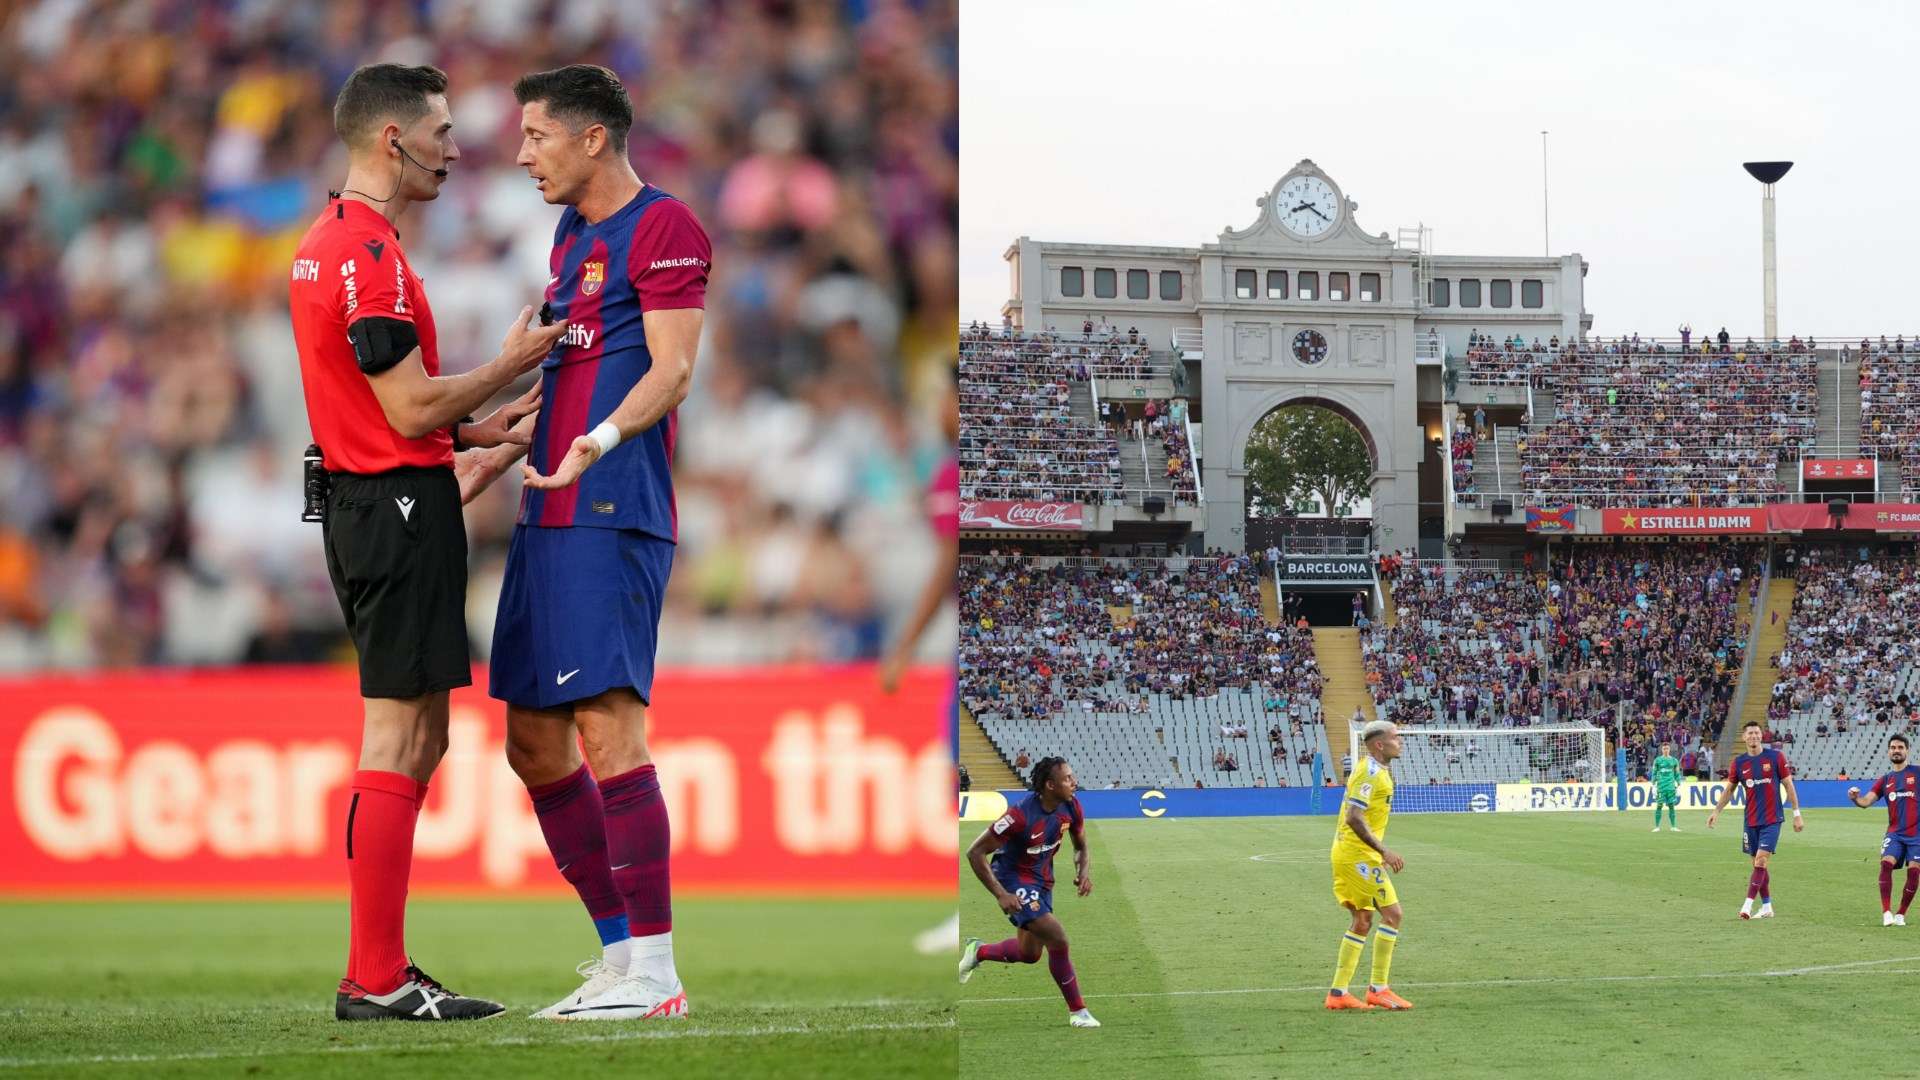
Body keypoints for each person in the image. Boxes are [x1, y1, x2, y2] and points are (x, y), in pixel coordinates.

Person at [290, 63, 566, 1023]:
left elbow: (387, 417)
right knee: (401, 734)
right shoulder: (365, 256)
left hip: (379, 499)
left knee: (416, 733)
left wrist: (478, 436)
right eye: (442, 131)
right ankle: (373, 979)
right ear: (391, 140)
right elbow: (405, 403)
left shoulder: (333, 244)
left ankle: (381, 968)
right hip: (390, 510)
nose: (457, 149)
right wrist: (510, 365)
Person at [467, 65, 712, 1022]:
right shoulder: (572, 236)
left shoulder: (666, 226)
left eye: (536, 135)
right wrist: (504, 448)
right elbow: (576, 374)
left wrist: (596, 444)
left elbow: (672, 370)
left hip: (610, 506)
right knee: (534, 742)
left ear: (592, 137)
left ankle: (656, 971)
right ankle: (619, 955)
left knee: (608, 726)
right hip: (549, 505)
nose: (523, 154)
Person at [876, 364, 960, 955]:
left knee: (957, 773)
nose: (939, 409)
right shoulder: (943, 470)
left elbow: (947, 565)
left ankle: (968, 905)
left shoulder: (954, 472)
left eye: (945, 397)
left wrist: (903, 645)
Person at [958, 757, 1100, 1028]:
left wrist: (1083, 872)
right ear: (1049, 785)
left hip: (1042, 882)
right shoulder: (1019, 815)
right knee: (1058, 939)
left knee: (1029, 954)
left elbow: (1081, 844)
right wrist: (1001, 894)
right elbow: (975, 852)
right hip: (1012, 879)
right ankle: (1078, 1012)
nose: (1074, 781)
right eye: (1067, 778)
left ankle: (978, 952)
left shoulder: (1070, 806)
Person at [1325, 719, 1412, 1011]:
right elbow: (1353, 817)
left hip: (1358, 855)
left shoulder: (1378, 770)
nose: (1399, 742)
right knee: (1393, 915)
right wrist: (1383, 851)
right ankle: (1378, 988)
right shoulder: (1369, 772)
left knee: (1363, 920)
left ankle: (1338, 994)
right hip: (1356, 856)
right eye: (1395, 738)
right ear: (1379, 744)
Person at [1707, 720, 1803, 919]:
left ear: (1762, 736)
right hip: (1750, 820)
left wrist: (1796, 814)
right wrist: (1716, 811)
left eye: (1757, 733)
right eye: (1750, 733)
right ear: (1744, 737)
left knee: (1760, 861)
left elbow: (1788, 785)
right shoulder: (1739, 763)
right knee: (1758, 866)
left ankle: (1747, 905)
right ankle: (1767, 906)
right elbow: (1730, 789)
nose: (1753, 736)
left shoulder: (1775, 757)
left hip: (1772, 819)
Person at [1845, 733, 1920, 926]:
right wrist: (1855, 798)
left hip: (1917, 834)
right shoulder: (1885, 780)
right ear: (1888, 751)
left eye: (1900, 747)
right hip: (1895, 833)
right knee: (1886, 864)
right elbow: (1866, 801)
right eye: (1893, 748)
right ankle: (1886, 912)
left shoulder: (1917, 773)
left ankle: (1901, 914)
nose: (1896, 750)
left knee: (1914, 871)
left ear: (1907, 751)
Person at [1650, 740, 1683, 832]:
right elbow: (1654, 773)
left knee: (1672, 806)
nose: (1666, 750)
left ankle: (1673, 826)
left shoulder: (1674, 761)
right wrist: (1653, 784)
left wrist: (1679, 784)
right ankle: (1657, 827)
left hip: (1671, 787)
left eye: (1667, 748)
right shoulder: (1658, 760)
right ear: (1661, 749)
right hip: (1661, 786)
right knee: (1659, 805)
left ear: (1669, 749)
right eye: (1664, 748)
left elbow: (1677, 774)